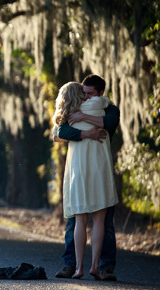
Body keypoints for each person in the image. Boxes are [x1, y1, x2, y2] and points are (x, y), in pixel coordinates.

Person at [54, 74, 120, 281]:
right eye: (84, 93)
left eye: (90, 94)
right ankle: (71, 264)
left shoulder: (108, 109)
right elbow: (59, 134)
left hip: (86, 168)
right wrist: (86, 134)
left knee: (98, 221)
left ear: (101, 92)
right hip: (96, 167)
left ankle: (103, 267)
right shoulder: (79, 108)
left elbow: (109, 122)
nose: (86, 97)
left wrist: (83, 119)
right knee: (79, 221)